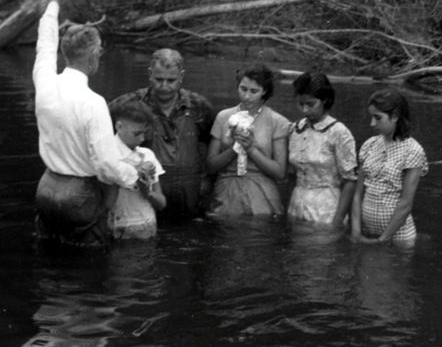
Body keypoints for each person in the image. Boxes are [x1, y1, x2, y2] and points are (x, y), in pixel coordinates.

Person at [32, 0, 143, 249]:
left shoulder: (44, 81)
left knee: (49, 258)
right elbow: (105, 164)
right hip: (77, 196)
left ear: (65, 53)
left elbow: (44, 44)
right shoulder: (93, 103)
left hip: (46, 189)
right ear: (94, 56)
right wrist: (134, 174)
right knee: (86, 268)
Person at [109, 48, 215, 219]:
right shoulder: (126, 105)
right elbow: (102, 142)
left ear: (181, 76)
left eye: (171, 80)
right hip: (141, 198)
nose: (164, 86)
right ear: (150, 74)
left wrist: (207, 185)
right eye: (159, 79)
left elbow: (213, 148)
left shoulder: (199, 106)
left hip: (189, 198)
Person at [206, 63, 291, 217]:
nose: (247, 96)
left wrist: (251, 149)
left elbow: (280, 172)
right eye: (243, 89)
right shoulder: (224, 117)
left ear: (264, 91)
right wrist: (234, 149)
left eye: (254, 91)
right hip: (227, 190)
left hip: (262, 192)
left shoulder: (277, 122)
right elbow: (210, 166)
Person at [350, 88, 428, 248]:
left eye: (378, 118)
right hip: (367, 233)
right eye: (371, 117)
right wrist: (356, 231)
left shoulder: (413, 150)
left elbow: (406, 203)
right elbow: (358, 193)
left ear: (395, 116)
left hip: (397, 237)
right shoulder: (369, 144)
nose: (372, 123)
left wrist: (382, 240)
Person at [287, 72, 357, 227]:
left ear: (324, 100)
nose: (305, 110)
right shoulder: (295, 129)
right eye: (300, 104)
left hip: (327, 208)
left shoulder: (339, 132)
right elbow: (292, 174)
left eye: (310, 104)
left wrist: (337, 220)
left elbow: (350, 181)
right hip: (296, 203)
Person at [106, 101, 167, 240]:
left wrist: (147, 192)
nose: (142, 138)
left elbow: (162, 203)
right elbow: (106, 203)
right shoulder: (107, 156)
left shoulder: (148, 155)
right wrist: (133, 172)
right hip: (117, 228)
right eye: (137, 133)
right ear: (119, 126)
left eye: (145, 133)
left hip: (147, 226)